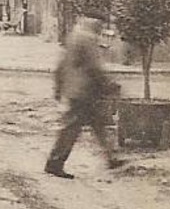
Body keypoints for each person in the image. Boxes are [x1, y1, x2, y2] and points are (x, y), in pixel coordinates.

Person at [45, 16, 124, 178]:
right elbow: (94, 66)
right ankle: (54, 163)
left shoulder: (75, 34)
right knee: (72, 129)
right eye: (100, 24)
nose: (101, 28)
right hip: (84, 90)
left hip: (76, 89)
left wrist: (59, 87)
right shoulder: (87, 38)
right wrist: (108, 84)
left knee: (98, 124)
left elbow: (61, 64)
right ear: (95, 22)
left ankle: (111, 157)